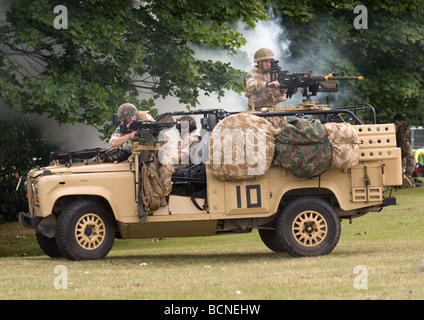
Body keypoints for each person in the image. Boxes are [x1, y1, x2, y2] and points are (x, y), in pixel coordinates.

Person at [244, 48, 297, 130]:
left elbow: (290, 90)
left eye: (270, 61)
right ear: (259, 62)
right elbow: (250, 85)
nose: (269, 64)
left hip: (278, 116)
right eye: (266, 61)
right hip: (260, 116)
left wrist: (293, 84)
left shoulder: (277, 74)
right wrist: (267, 84)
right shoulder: (252, 75)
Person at [393, 114, 416, 187]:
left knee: (401, 160)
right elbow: (402, 137)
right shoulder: (401, 125)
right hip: (402, 143)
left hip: (397, 144)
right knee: (410, 158)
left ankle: (403, 177)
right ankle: (406, 177)